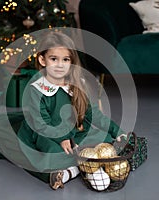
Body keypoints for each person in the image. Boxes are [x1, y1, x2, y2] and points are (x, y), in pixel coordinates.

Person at [16, 31, 126, 190]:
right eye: (54, 59)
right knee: (51, 152)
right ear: (42, 60)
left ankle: (78, 167)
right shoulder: (37, 89)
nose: (60, 65)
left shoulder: (78, 85)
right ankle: (68, 171)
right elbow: (41, 124)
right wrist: (61, 138)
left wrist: (118, 132)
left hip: (72, 132)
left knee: (105, 139)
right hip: (44, 132)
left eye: (65, 59)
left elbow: (93, 114)